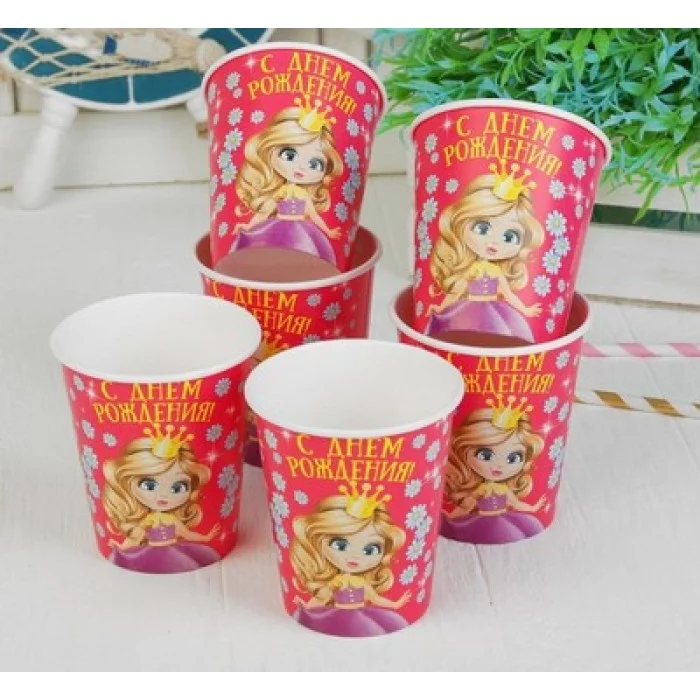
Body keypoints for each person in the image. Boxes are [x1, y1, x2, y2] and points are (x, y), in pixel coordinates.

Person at [426, 161, 544, 341]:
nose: (494, 241)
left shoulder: (496, 271)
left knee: (498, 334)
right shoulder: (472, 269)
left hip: (495, 311)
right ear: (462, 224)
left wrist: (525, 310)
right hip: (468, 310)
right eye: (482, 228)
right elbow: (456, 292)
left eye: (509, 237)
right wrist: (441, 308)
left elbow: (509, 295)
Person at [231, 96, 344, 266]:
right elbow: (265, 211)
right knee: (269, 255)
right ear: (270, 151)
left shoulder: (303, 195)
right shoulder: (281, 192)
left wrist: (328, 231)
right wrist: (249, 226)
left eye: (315, 164)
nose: (301, 167)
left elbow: (313, 215)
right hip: (277, 226)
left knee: (306, 255)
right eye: (289, 155)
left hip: (302, 230)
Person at [291, 482, 410, 636]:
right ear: (320, 542)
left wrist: (396, 604)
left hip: (361, 616)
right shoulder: (336, 582)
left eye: (370, 550)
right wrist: (307, 606)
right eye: (340, 545)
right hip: (337, 616)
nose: (355, 556)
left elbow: (375, 598)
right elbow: (322, 598)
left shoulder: (362, 583)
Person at [103, 424, 220, 573]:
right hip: (151, 552)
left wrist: (206, 538)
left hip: (174, 552)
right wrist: (122, 547)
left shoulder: (172, 520)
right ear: (129, 483)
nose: (163, 495)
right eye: (149, 485)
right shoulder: (148, 520)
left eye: (178, 488)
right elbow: (135, 538)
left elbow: (187, 534)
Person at [442, 396, 545, 544]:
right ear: (464, 452)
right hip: (479, 521)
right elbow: (466, 506)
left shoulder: (503, 490)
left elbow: (516, 504)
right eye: (485, 455)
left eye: (513, 458)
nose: (499, 465)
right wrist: (451, 516)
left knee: (512, 532)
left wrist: (533, 508)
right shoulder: (481, 490)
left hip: (503, 520)